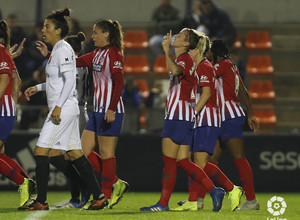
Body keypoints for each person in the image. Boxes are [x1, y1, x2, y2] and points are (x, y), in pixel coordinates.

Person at [20, 8, 108, 211]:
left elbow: (70, 81)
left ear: (58, 30)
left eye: (47, 26)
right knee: (75, 153)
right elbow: (57, 81)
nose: (44, 29)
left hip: (64, 109)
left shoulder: (63, 49)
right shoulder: (58, 50)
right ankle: (99, 196)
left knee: (41, 150)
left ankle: (41, 200)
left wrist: (58, 106)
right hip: (66, 108)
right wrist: (38, 87)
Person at [140, 28, 225, 212]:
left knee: (169, 160)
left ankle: (162, 204)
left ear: (186, 43)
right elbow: (174, 71)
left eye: (179, 35)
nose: (175, 36)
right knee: (182, 161)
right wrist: (167, 52)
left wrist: (166, 51)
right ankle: (214, 190)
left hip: (178, 115)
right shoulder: (184, 58)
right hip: (184, 115)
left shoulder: (185, 58)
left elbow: (177, 71)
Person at [173, 33, 243, 212]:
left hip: (207, 117)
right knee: (195, 163)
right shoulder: (197, 66)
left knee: (200, 163)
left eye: (190, 50)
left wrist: (192, 112)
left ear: (196, 50)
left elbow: (206, 94)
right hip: (199, 118)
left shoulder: (205, 66)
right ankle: (194, 199)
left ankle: (231, 189)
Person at [208, 39, 260, 210]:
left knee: (239, 158)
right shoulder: (230, 65)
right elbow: (243, 91)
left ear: (214, 52)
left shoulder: (221, 65)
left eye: (207, 51)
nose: (205, 54)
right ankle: (199, 199)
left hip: (229, 117)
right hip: (222, 118)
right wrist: (251, 114)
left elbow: (201, 76)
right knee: (208, 161)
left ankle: (251, 200)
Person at [0, 19, 35, 208]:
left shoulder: (1, 52)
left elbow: (5, 81)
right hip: (5, 110)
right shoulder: (4, 54)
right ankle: (28, 183)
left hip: (2, 111)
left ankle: (24, 184)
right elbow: (17, 80)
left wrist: (11, 103)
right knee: (1, 156)